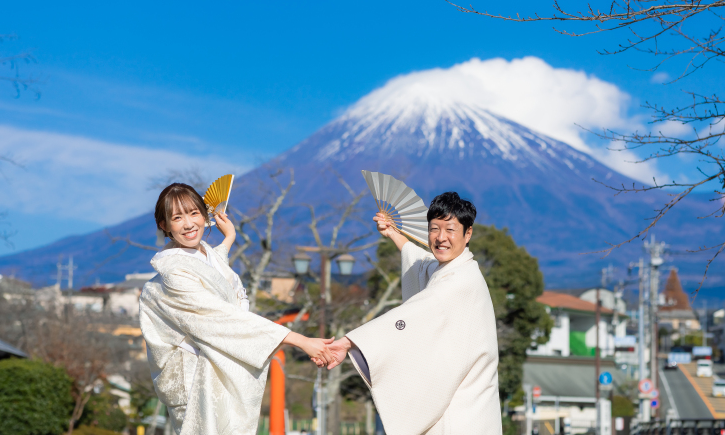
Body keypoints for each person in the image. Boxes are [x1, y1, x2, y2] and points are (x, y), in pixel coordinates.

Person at [139, 183, 334, 435]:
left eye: (194, 213)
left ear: (206, 215)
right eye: (177, 217)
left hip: (214, 372)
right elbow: (221, 318)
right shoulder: (174, 273)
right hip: (197, 380)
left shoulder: (204, 255)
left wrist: (228, 238)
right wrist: (299, 340)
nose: (188, 224)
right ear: (164, 225)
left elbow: (213, 273)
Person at [326, 192, 501, 434]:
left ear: (467, 233)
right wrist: (393, 234)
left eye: (450, 229)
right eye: (434, 229)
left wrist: (349, 341)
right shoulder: (455, 269)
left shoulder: (460, 282)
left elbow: (413, 314)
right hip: (469, 409)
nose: (441, 238)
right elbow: (422, 262)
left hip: (461, 412)